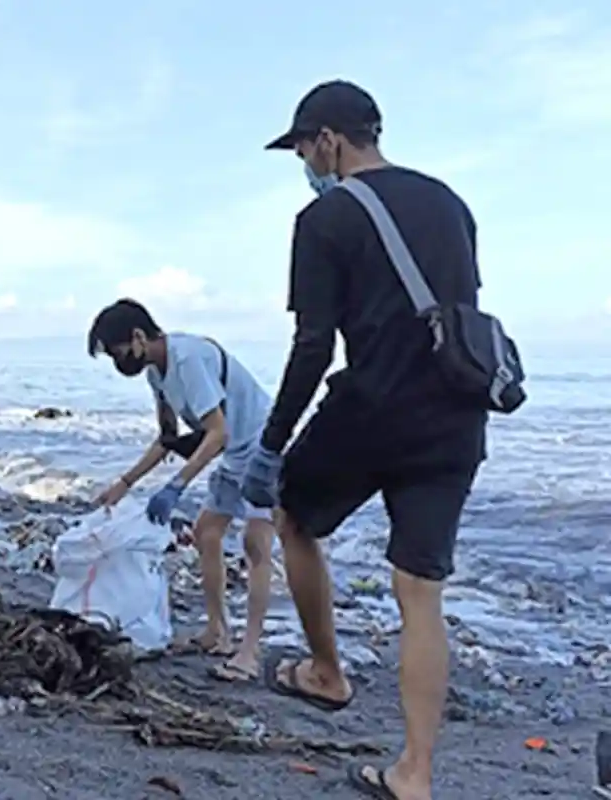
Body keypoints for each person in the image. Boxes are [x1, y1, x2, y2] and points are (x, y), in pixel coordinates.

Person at [242, 81, 487, 800]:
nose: (304, 164)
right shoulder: (450, 202)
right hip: (457, 415)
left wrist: (272, 444)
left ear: (328, 140)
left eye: (301, 149)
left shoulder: (323, 218)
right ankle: (415, 772)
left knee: (293, 517)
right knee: (420, 590)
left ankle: (326, 672)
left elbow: (314, 343)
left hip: (374, 408)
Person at [88, 299, 276, 681]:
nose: (119, 362)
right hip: (233, 451)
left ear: (139, 336)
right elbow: (168, 439)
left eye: (118, 352)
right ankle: (216, 632)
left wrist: (176, 485)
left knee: (256, 544)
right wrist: (124, 484)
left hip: (262, 445)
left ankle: (249, 651)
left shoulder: (188, 359)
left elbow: (218, 431)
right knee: (207, 533)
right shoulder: (156, 372)